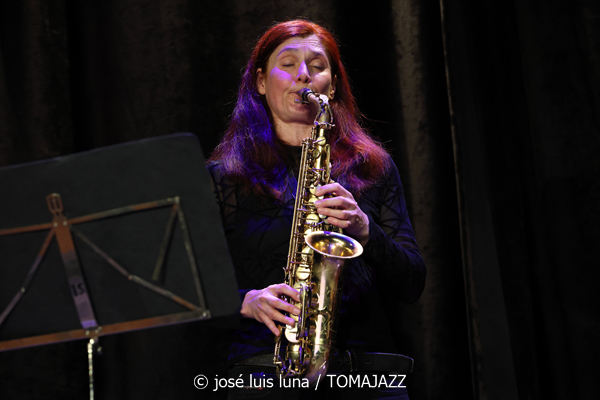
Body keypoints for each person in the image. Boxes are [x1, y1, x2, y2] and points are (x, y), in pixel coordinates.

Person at [207, 19, 426, 400]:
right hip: (265, 376)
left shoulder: (372, 168)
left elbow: (412, 283)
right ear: (261, 82)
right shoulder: (225, 178)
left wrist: (365, 229)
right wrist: (246, 301)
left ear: (333, 85)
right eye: (288, 63)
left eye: (317, 66)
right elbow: (191, 296)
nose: (303, 75)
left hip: (365, 379)